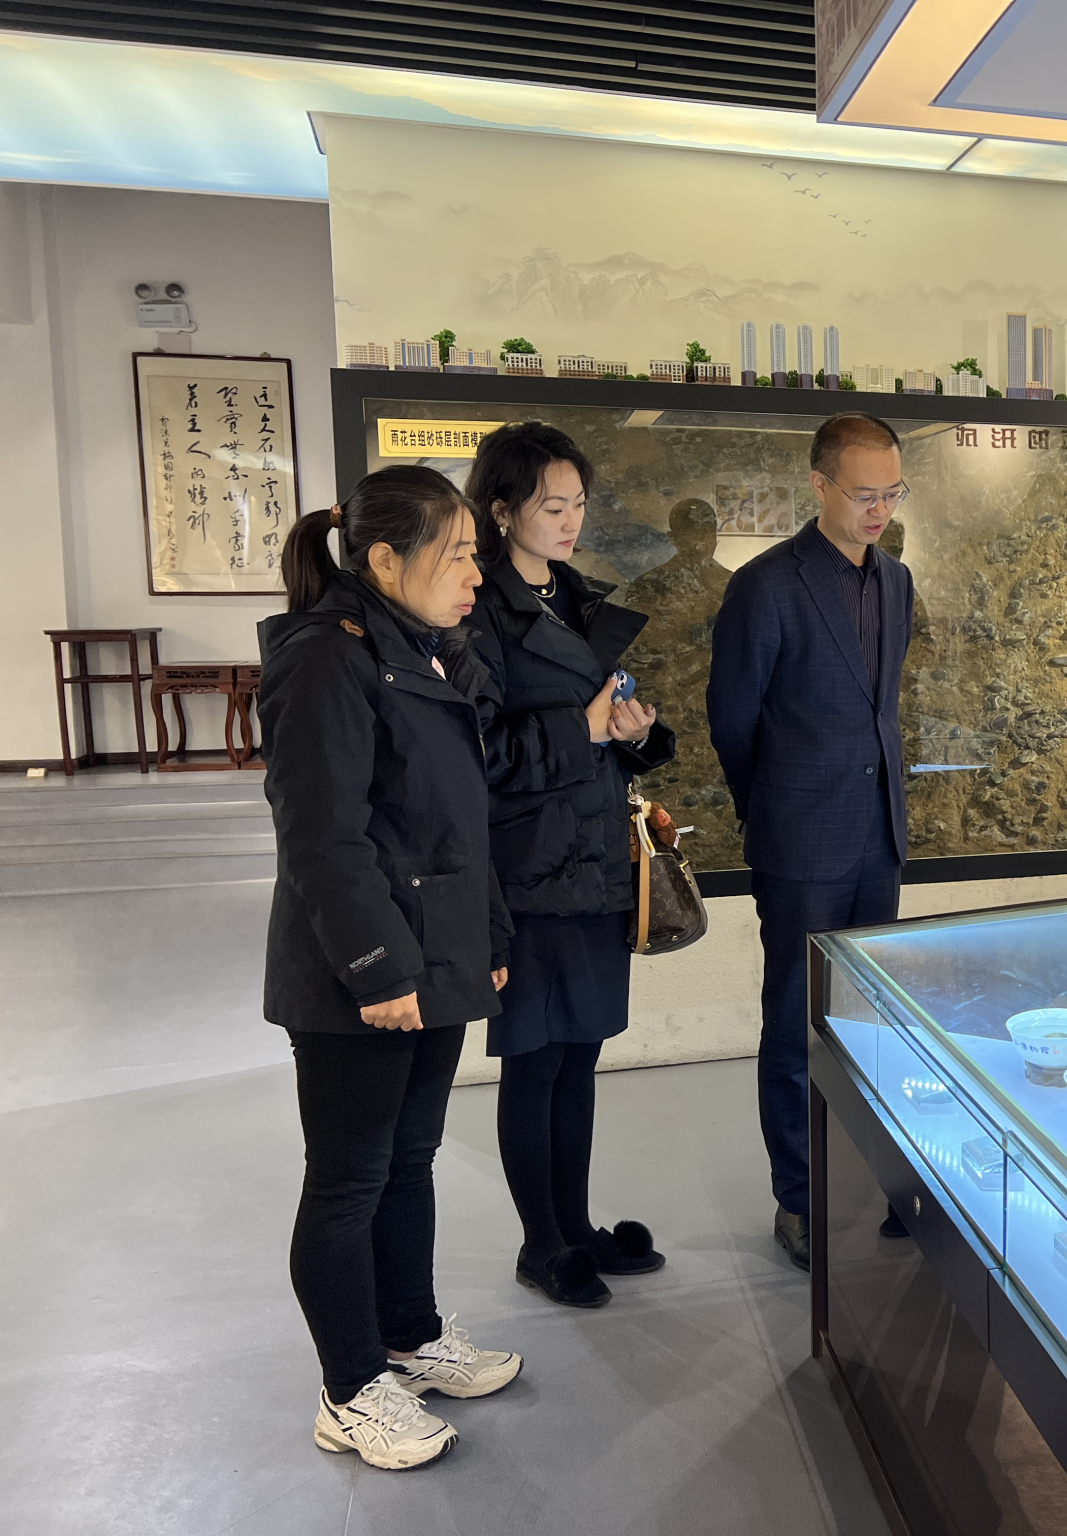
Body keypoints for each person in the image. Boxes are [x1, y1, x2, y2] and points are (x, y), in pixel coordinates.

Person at [260, 467, 523, 1472]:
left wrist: (488, 941)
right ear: (382, 560)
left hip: (435, 955)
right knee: (348, 1179)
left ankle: (408, 1337)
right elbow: (322, 838)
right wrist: (375, 970)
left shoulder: (425, 649)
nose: (474, 575)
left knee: (408, 1160)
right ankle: (349, 1388)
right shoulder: (327, 657)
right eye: (456, 555)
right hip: (359, 974)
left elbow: (459, 823)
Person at [464, 422, 678, 1309]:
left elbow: (602, 723)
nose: (570, 520)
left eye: (579, 503)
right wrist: (583, 730)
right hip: (528, 867)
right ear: (501, 510)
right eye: (552, 505)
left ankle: (576, 1226)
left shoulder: (576, 597)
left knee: (581, 1053)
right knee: (536, 1058)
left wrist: (634, 731)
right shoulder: (476, 608)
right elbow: (474, 752)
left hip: (593, 861)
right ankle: (540, 1243)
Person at [707, 412, 914, 1272]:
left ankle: (881, 1184)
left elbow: (880, 704)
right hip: (800, 839)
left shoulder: (896, 580)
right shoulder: (766, 586)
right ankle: (798, 1197)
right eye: (864, 494)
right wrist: (774, 809)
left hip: (878, 834)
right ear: (819, 485)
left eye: (892, 494)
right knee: (796, 1024)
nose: (879, 510)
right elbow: (733, 720)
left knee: (873, 1024)